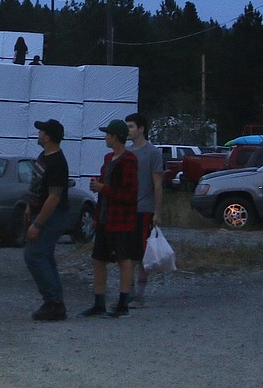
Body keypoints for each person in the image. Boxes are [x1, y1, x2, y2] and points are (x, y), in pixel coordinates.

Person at [79, 119, 139, 319]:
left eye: (108, 134)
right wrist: (97, 214)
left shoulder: (128, 160)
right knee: (98, 259)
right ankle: (99, 302)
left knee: (124, 259)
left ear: (115, 137)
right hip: (105, 217)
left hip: (120, 219)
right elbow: (105, 191)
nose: (105, 137)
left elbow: (129, 195)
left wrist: (104, 188)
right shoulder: (108, 159)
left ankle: (123, 303)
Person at [24, 118, 71, 321]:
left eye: (41, 131)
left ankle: (53, 302)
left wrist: (38, 223)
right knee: (45, 256)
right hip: (39, 212)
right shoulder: (44, 156)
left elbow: (54, 197)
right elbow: (37, 185)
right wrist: (29, 206)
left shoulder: (57, 162)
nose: (39, 134)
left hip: (52, 216)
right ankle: (55, 301)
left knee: (34, 255)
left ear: (48, 136)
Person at [126, 112, 163, 307]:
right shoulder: (127, 152)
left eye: (131, 126)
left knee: (141, 253)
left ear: (141, 129)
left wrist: (157, 211)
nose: (128, 130)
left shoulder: (153, 152)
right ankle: (128, 291)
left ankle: (139, 293)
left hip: (144, 208)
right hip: (128, 209)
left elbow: (158, 184)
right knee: (127, 252)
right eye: (127, 127)